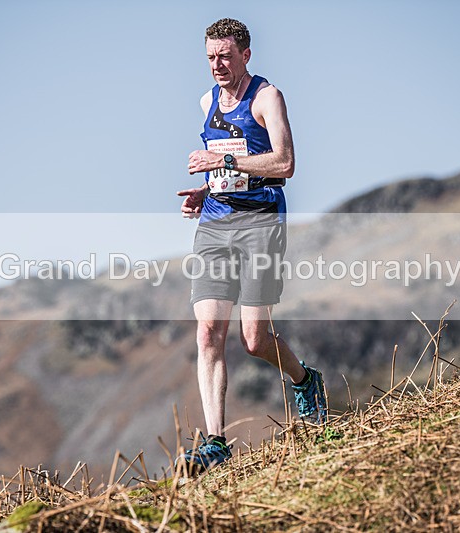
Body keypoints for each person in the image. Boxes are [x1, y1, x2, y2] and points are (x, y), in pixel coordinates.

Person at [175, 18, 327, 472]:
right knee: (208, 333)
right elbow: (223, 167)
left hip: (260, 222)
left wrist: (220, 158)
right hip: (217, 221)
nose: (216, 66)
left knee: (254, 339)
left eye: (224, 56)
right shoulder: (207, 101)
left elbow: (285, 162)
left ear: (245, 54)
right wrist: (207, 189)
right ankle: (216, 443)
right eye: (209, 58)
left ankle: (305, 381)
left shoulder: (266, 97)